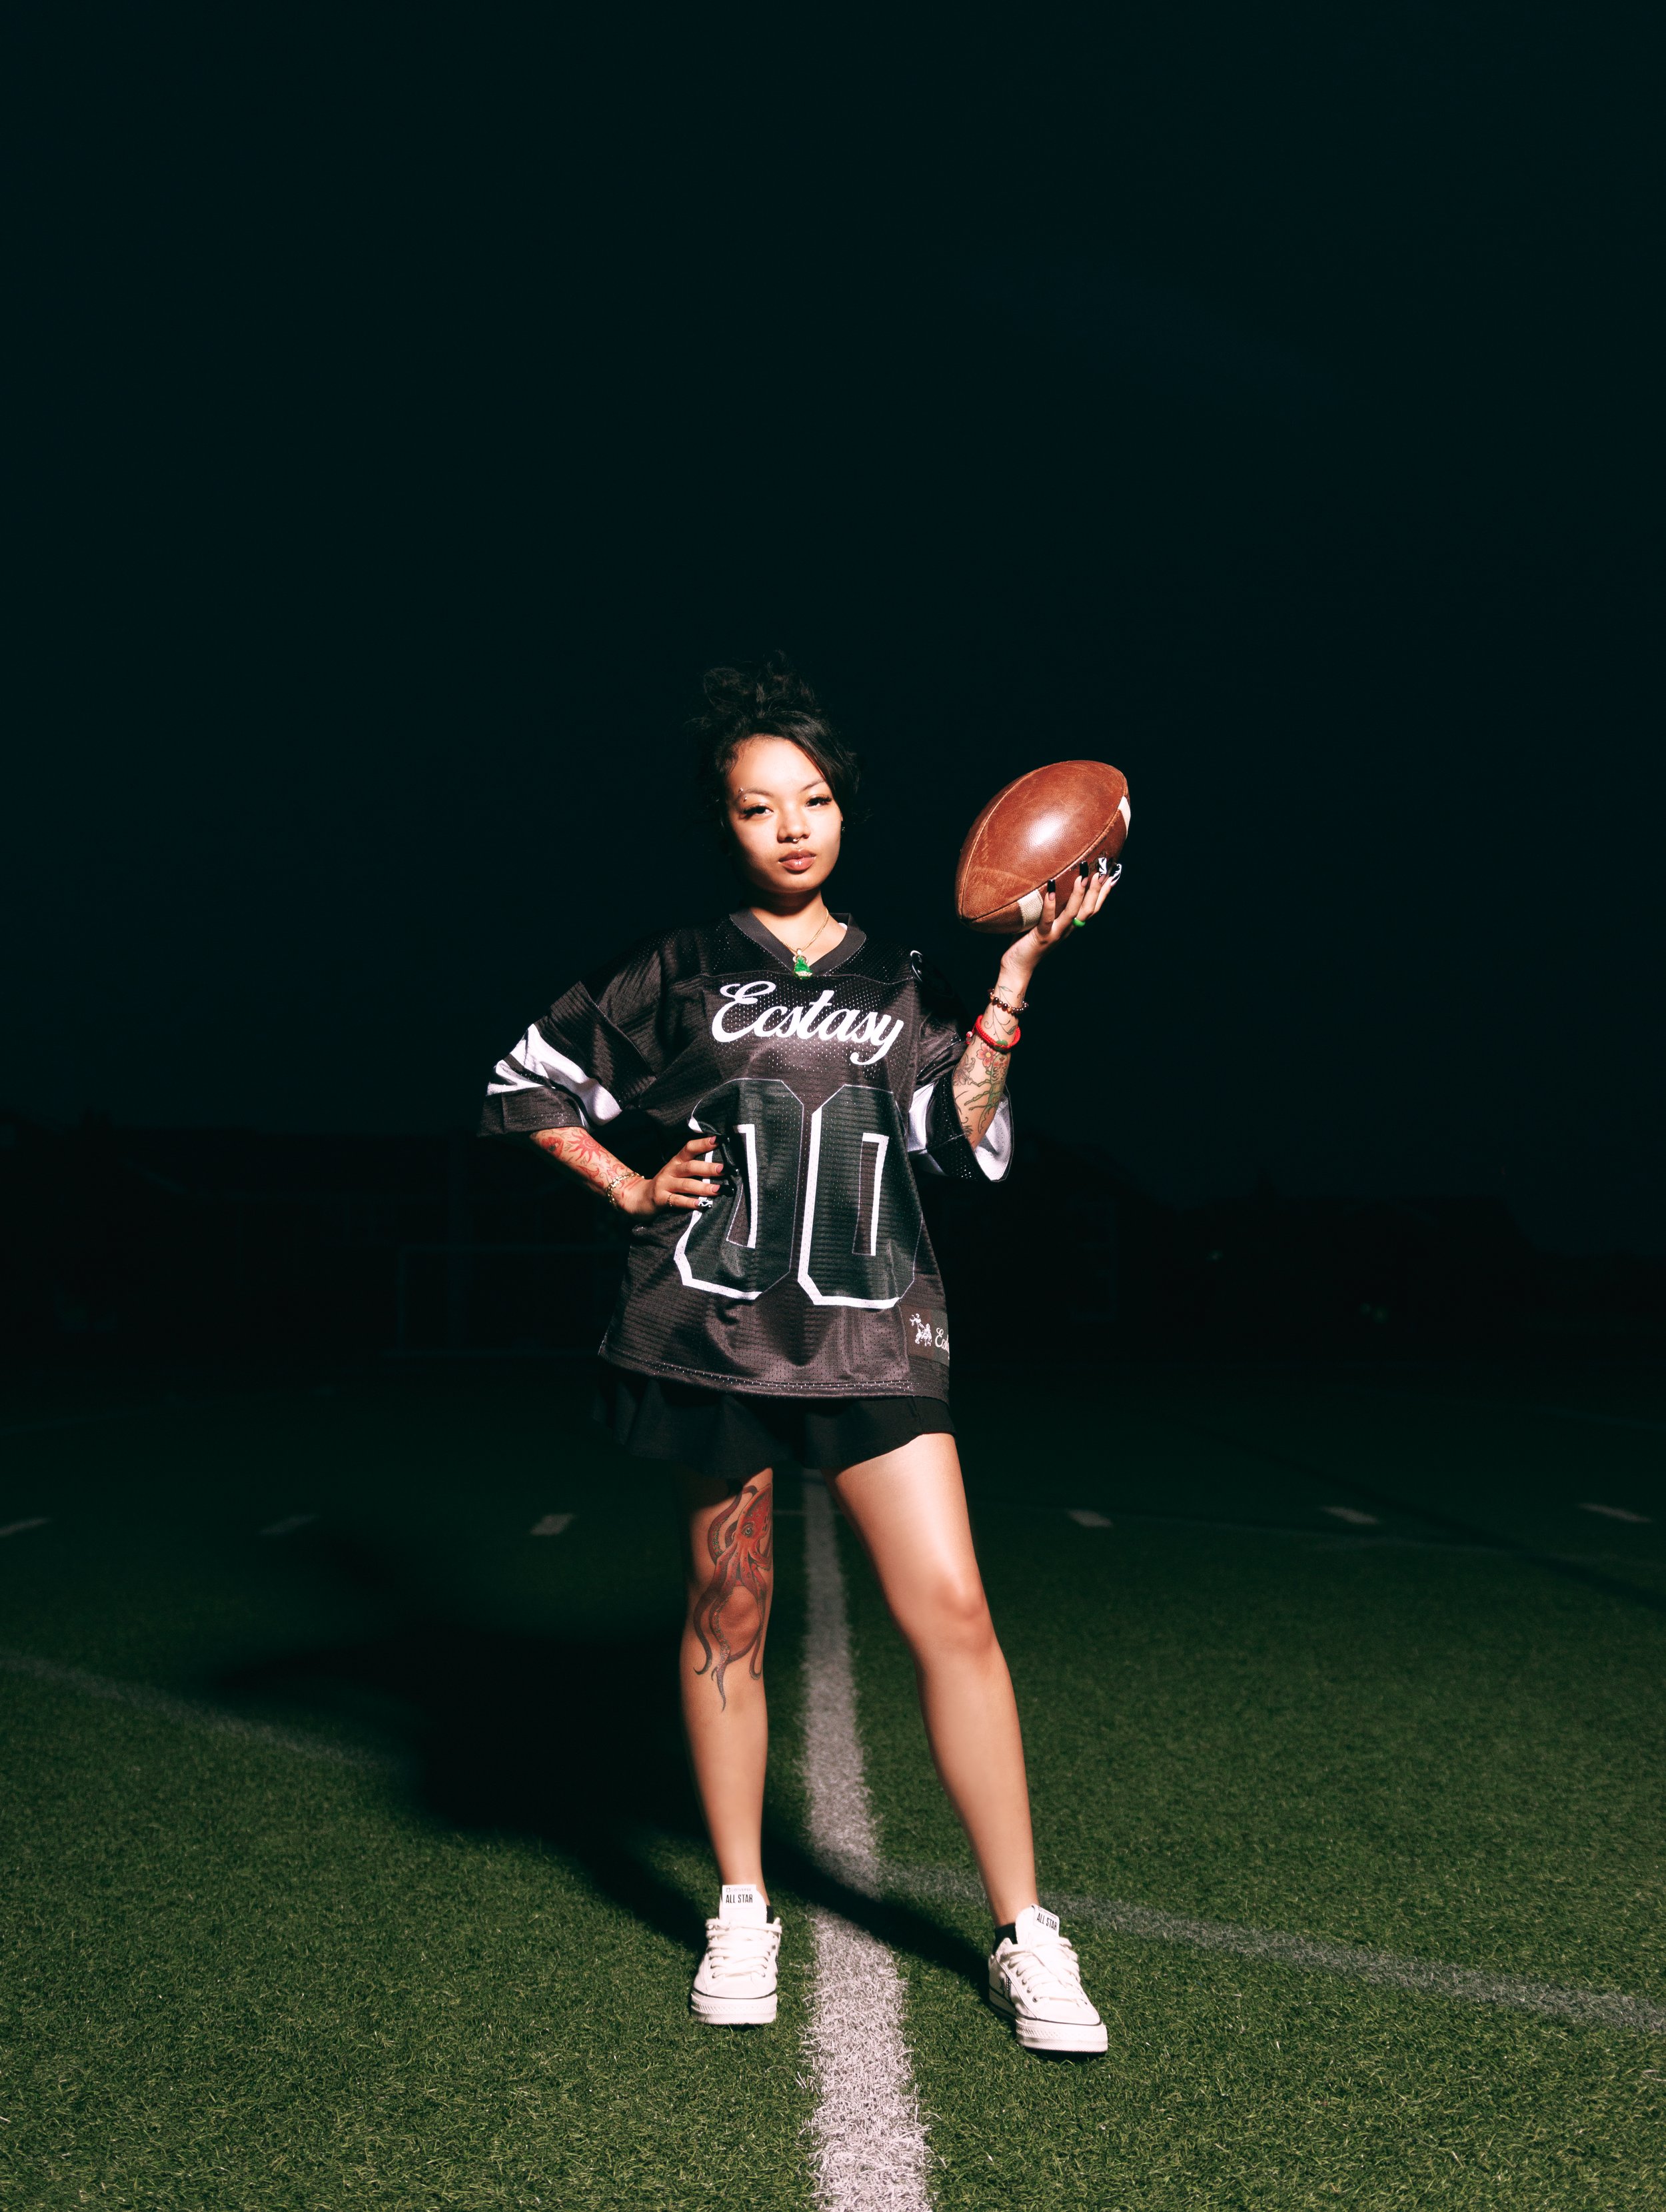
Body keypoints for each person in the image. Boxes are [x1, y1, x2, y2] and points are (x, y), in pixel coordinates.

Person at [480, 655, 1116, 2055]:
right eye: (758, 806)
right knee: (728, 1620)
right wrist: (629, 1185)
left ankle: (1023, 1931)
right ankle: (741, 1904)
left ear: (845, 811)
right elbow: (522, 1079)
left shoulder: (903, 981)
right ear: (725, 825)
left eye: (812, 798)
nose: (790, 826)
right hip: (713, 1334)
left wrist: (1011, 976)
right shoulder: (676, 970)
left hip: (877, 1329)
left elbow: (960, 1139)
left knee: (951, 1607)